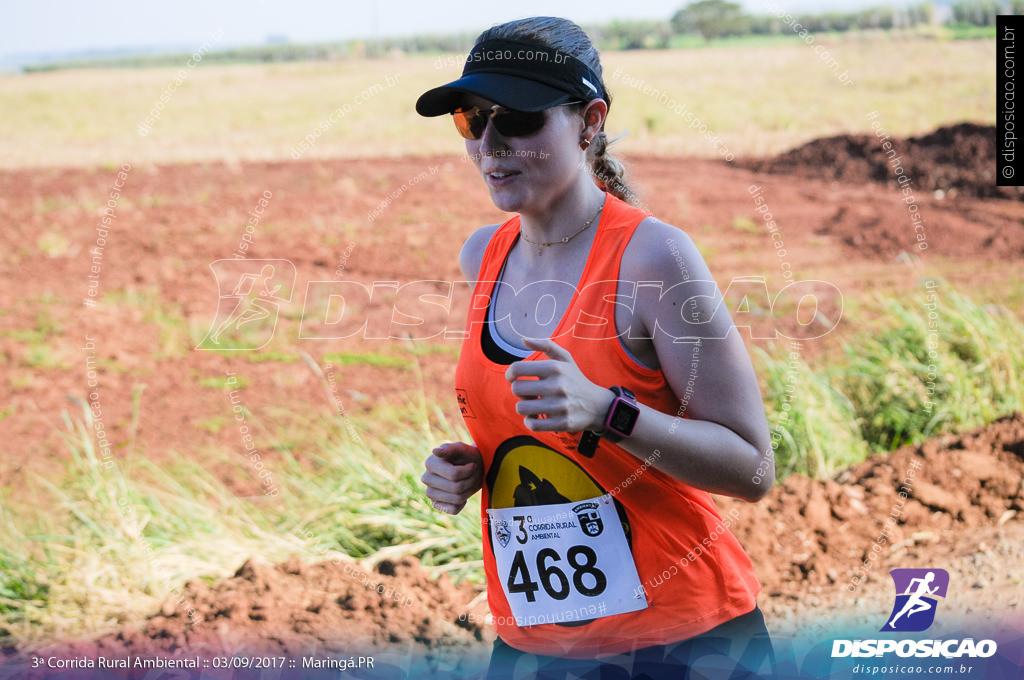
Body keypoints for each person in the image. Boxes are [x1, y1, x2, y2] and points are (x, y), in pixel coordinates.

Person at [417, 17, 776, 680]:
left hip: (685, 641)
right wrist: (474, 467)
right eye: (472, 119)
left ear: (589, 123)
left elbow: (752, 468)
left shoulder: (653, 256)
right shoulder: (483, 257)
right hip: (535, 646)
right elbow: (541, 436)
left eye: (517, 118)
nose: (490, 144)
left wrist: (608, 411)